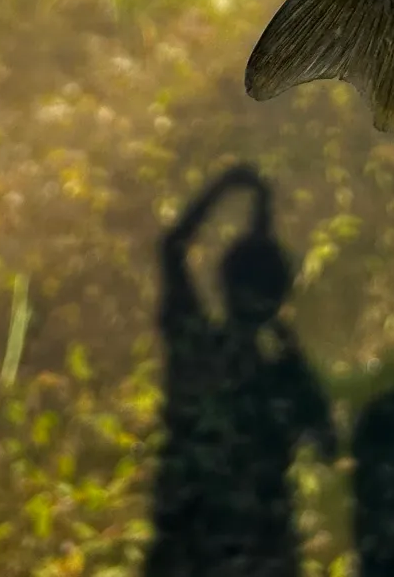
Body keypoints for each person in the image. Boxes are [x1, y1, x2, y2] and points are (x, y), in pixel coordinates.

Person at [145, 165, 337, 577]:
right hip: (262, 554)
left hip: (186, 549)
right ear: (280, 297)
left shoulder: (195, 346)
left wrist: (225, 187)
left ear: (225, 284)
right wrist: (292, 354)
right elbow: (328, 446)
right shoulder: (285, 377)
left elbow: (171, 248)